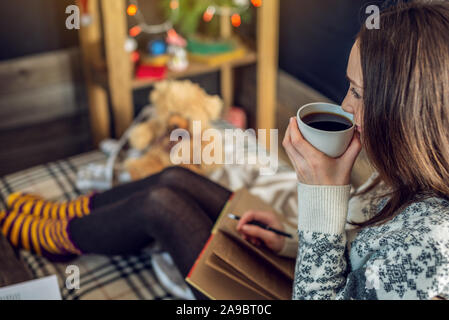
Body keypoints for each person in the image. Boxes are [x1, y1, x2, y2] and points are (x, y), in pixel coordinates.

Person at [1, 1, 449, 300]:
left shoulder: (427, 255)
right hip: (308, 273)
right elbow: (357, 249)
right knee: (176, 180)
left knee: (162, 207)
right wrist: (292, 241)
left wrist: (321, 198)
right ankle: (71, 218)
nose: (345, 108)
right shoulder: (406, 175)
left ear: (409, 113)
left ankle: (60, 240)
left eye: (358, 92)